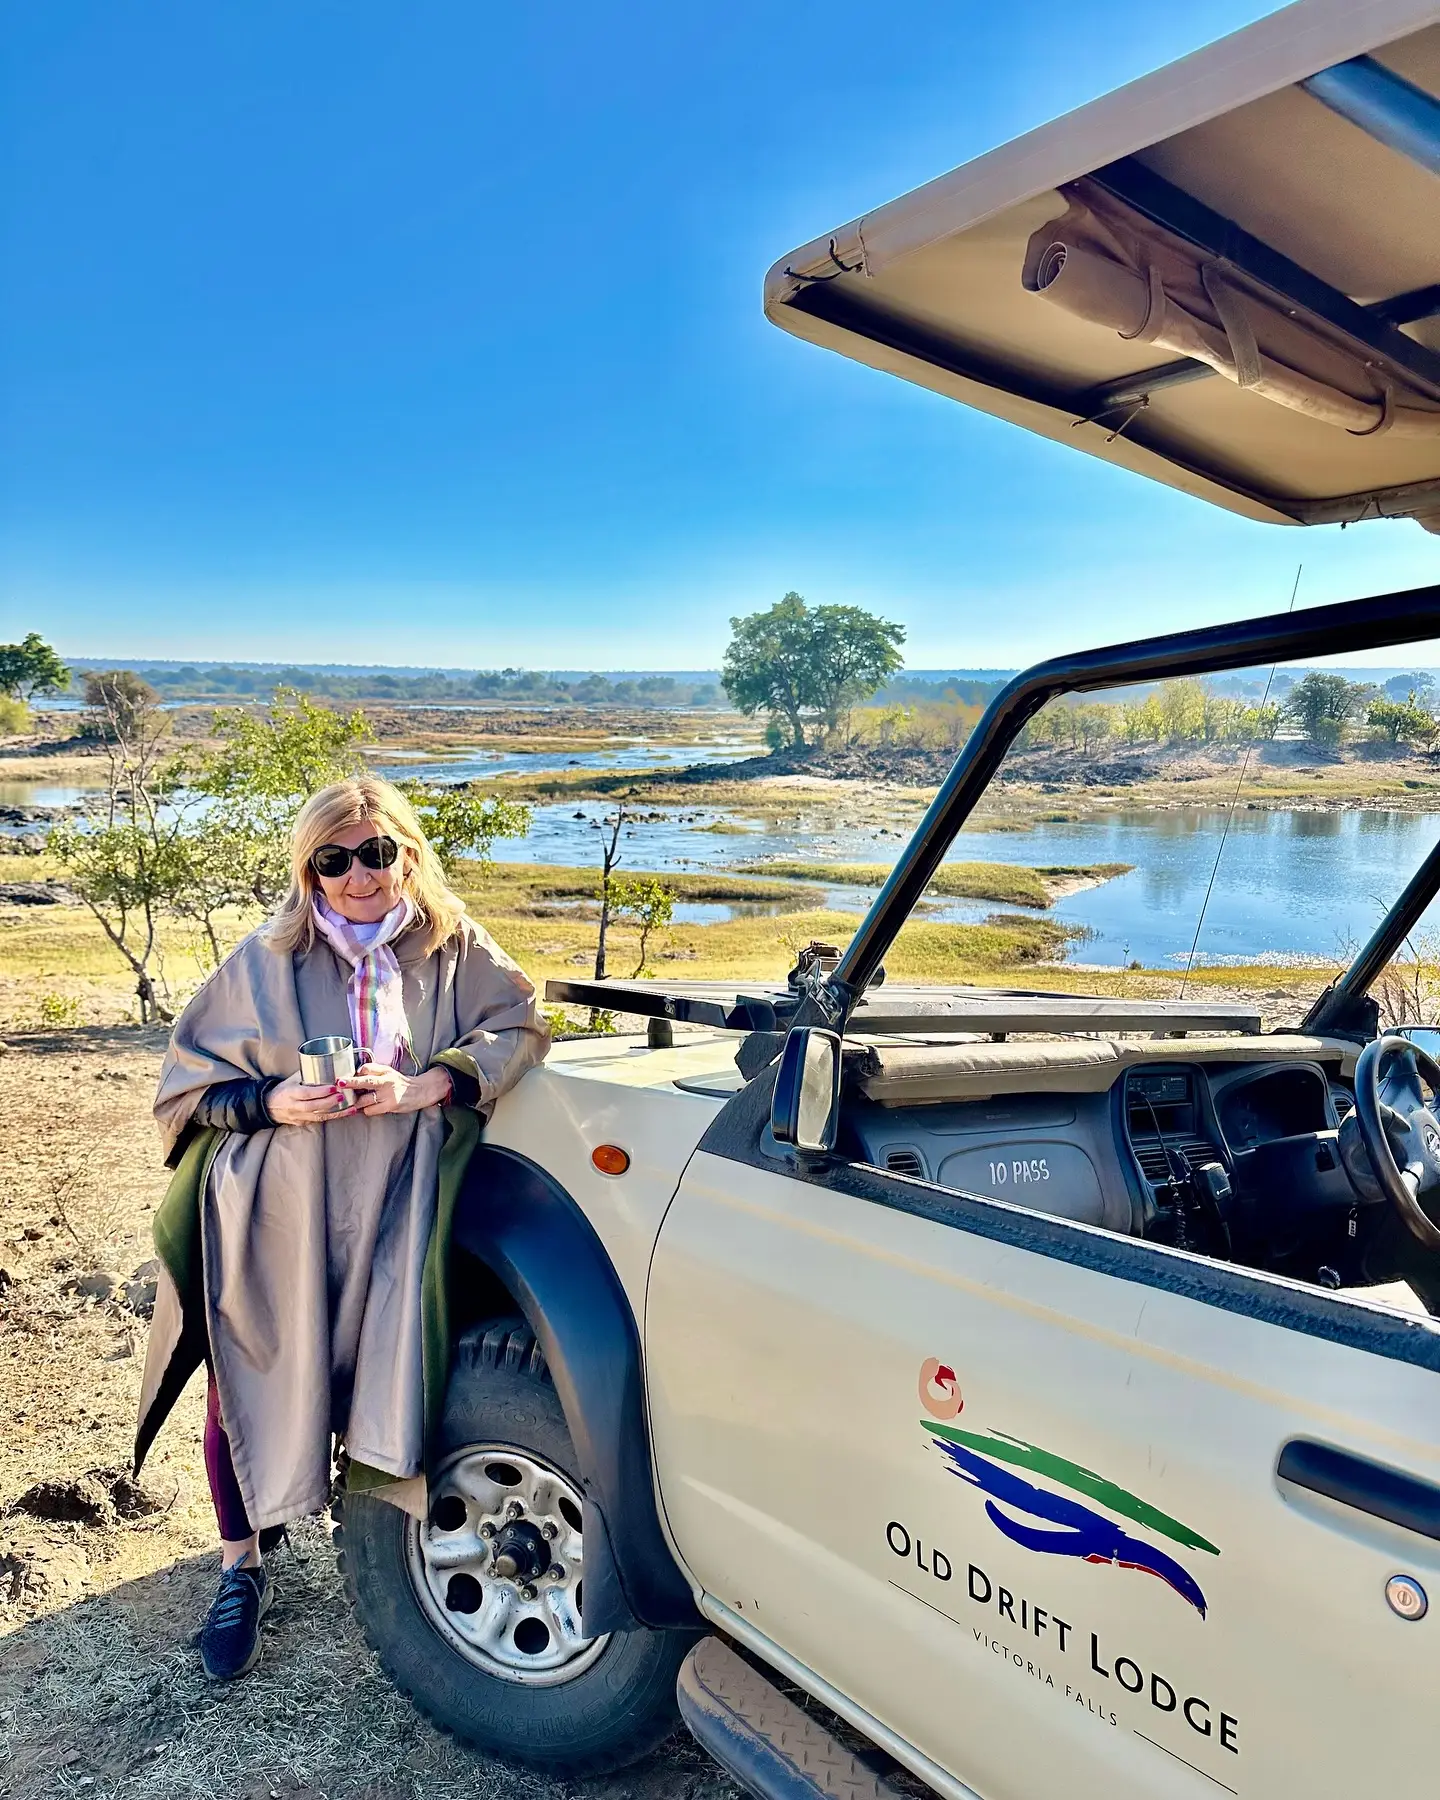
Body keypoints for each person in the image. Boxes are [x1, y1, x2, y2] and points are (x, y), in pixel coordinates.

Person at [136, 775, 549, 1681]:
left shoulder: (452, 949)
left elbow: (520, 1023)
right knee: (247, 1377)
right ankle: (241, 1566)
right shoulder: (267, 957)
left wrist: (427, 1084)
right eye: (333, 860)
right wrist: (273, 1098)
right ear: (310, 870)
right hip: (280, 1208)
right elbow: (185, 1085)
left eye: (375, 853)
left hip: (398, 1206)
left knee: (383, 1374)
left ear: (408, 854)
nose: (357, 876)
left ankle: (388, 1551)